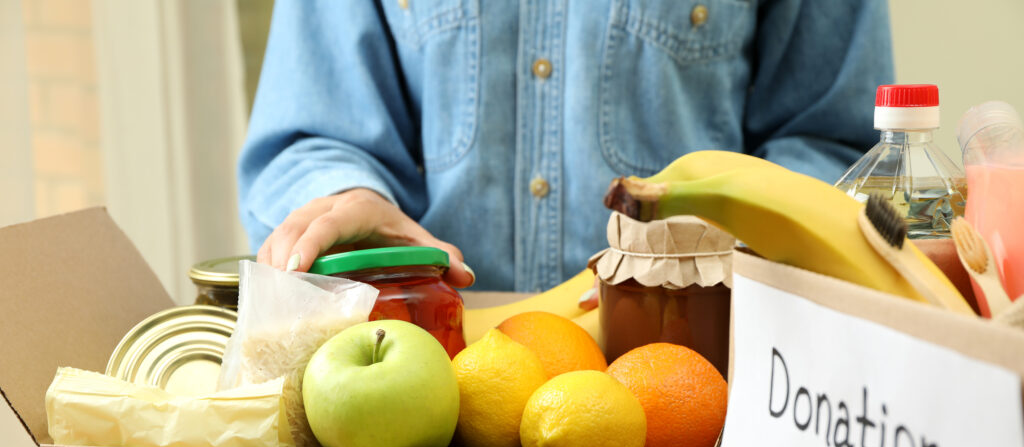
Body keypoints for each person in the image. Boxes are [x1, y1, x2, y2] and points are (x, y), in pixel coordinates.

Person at [238, 0, 894, 294]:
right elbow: (311, 135)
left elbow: (835, 145)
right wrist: (346, 196)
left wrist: (728, 240)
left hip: (702, 400)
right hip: (426, 398)